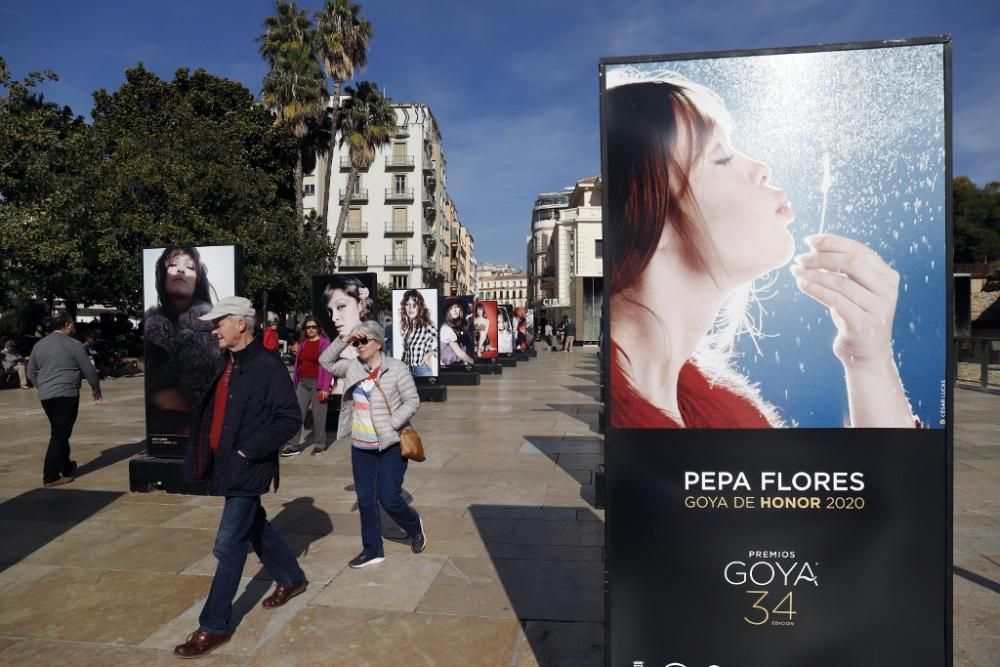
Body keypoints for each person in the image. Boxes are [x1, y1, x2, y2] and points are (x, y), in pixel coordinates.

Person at [605, 72, 916, 429]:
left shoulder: (723, 419)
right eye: (720, 158)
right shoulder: (637, 423)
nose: (762, 169)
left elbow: (886, 484)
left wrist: (869, 361)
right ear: (642, 211)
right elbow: (889, 484)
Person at [175, 297, 305, 659]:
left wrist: (248, 450)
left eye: (220, 323)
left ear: (241, 324)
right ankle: (292, 578)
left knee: (228, 544)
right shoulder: (226, 362)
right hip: (224, 463)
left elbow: (289, 418)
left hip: (248, 466)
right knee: (255, 525)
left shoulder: (268, 366)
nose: (214, 329)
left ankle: (214, 626)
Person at [319, 320, 426, 568]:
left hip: (392, 444)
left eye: (364, 341)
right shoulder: (353, 367)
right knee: (366, 501)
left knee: (388, 498)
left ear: (378, 343)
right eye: (357, 342)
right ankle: (373, 549)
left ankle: (414, 525)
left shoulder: (396, 369)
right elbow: (325, 362)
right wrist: (344, 339)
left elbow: (412, 400)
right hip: (362, 446)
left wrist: (393, 422)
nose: (360, 346)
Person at [144, 246, 221, 439]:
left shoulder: (214, 327)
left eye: (190, 267)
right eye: (173, 264)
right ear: (162, 274)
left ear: (198, 280)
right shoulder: (154, 328)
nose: (180, 270)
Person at [26, 313, 102, 487]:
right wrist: (96, 389)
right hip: (66, 394)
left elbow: (31, 373)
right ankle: (50, 476)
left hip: (46, 397)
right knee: (59, 434)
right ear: (67, 325)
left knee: (60, 431)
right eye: (73, 324)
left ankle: (66, 465)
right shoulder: (75, 345)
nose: (75, 328)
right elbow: (89, 370)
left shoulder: (39, 345)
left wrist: (42, 386)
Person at [281, 316, 334, 456]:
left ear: (318, 328)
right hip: (303, 383)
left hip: (318, 383)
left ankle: (319, 445)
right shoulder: (303, 343)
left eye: (313, 327)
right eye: (308, 327)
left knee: (319, 416)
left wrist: (325, 387)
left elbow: (327, 367)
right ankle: (293, 445)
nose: (310, 329)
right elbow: (299, 364)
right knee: (297, 414)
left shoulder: (324, 344)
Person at [322, 275, 374, 395]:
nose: (334, 318)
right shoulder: (337, 344)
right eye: (330, 311)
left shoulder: (373, 344)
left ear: (361, 304)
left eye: (341, 307)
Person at [398, 289, 437, 376]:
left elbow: (443, 342)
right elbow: (406, 351)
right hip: (408, 371)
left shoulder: (427, 325)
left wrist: (430, 353)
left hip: (422, 370)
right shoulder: (408, 327)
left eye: (414, 305)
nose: (411, 308)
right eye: (407, 304)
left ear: (420, 307)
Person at [439, 298, 475, 366]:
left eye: (457, 307)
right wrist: (474, 363)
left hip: (460, 364)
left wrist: (470, 307)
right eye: (451, 308)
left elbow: (469, 316)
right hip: (449, 367)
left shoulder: (460, 324)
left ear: (461, 309)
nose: (454, 310)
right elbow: (459, 353)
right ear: (448, 311)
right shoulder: (446, 329)